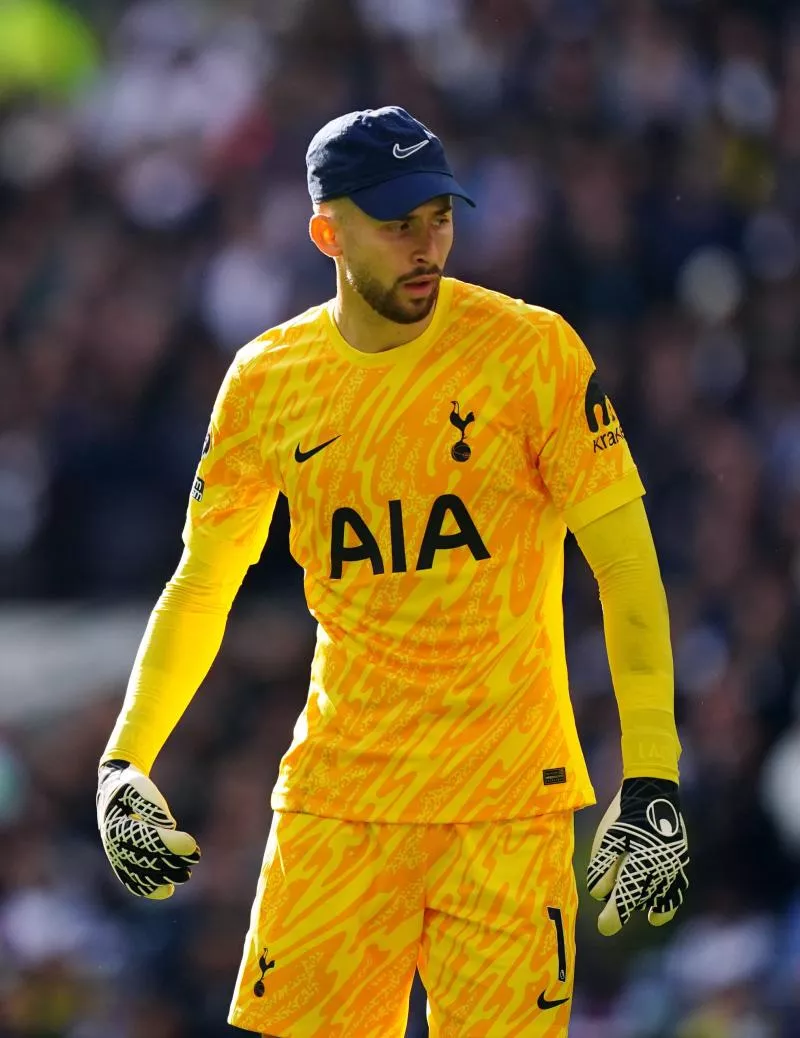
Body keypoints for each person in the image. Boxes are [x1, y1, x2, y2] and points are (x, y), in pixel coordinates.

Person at [96, 106, 690, 1038]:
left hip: (505, 805)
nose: (426, 246)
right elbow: (201, 584)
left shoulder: (531, 353)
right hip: (340, 804)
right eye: (395, 223)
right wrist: (125, 760)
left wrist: (651, 774)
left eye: (439, 218)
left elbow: (627, 570)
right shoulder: (266, 382)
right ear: (326, 232)